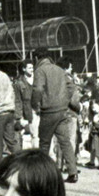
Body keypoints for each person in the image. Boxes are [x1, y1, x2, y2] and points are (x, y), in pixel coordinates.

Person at [31, 47, 79, 183]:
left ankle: (42, 175)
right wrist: (64, 100)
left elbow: (38, 89)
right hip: (62, 111)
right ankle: (73, 173)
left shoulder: (40, 70)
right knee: (65, 142)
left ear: (36, 58)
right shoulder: (59, 69)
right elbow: (71, 86)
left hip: (49, 111)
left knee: (44, 143)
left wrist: (35, 105)